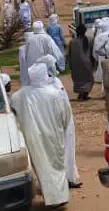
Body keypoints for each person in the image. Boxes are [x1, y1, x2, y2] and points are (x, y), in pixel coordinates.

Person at [10, 63, 71, 209]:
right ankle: (58, 197)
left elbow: (14, 114)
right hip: (54, 134)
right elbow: (66, 115)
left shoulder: (20, 95)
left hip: (33, 137)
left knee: (42, 165)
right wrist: (60, 128)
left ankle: (52, 196)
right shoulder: (56, 93)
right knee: (56, 164)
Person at [35, 55, 81, 188]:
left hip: (65, 123)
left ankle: (69, 176)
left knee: (68, 150)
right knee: (58, 152)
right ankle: (61, 181)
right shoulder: (47, 86)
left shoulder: (55, 82)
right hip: (58, 125)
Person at [68, 24, 94, 101]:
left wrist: (70, 65)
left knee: (78, 80)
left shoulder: (72, 42)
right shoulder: (88, 40)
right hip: (86, 64)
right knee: (88, 80)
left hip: (75, 64)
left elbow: (69, 54)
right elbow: (91, 53)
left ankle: (80, 94)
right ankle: (84, 95)